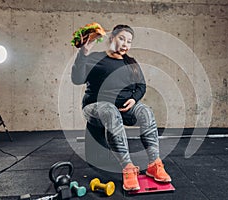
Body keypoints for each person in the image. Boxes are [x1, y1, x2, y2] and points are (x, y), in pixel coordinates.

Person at [71, 24, 171, 191]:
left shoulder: (131, 62)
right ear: (111, 39)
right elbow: (77, 78)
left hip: (124, 110)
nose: (125, 44)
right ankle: (128, 168)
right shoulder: (95, 58)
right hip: (95, 109)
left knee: (145, 111)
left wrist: (134, 99)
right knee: (110, 110)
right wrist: (83, 52)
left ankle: (154, 164)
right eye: (122, 39)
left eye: (129, 41)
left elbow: (141, 86)